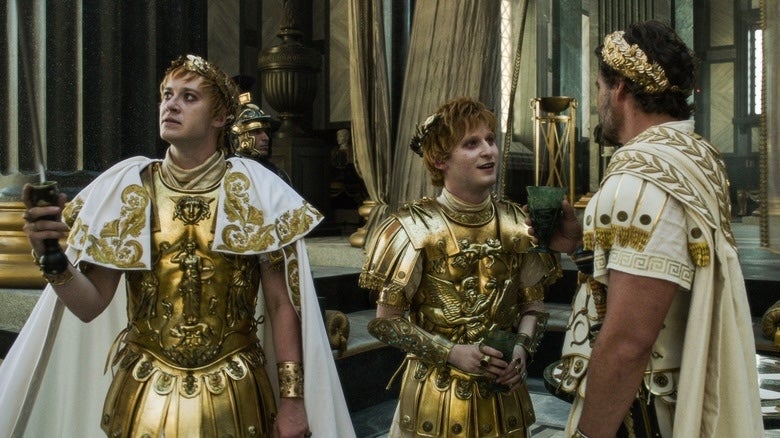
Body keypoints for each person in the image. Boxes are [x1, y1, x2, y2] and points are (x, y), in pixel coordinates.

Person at [0, 54, 354, 437]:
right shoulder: (130, 188)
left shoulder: (255, 190)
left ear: (221, 117)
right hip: (145, 395)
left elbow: (282, 305)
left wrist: (293, 400)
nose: (170, 104)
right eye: (167, 95)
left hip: (236, 396)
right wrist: (50, 256)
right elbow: (91, 305)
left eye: (189, 97)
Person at [537, 21, 763, 437]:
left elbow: (629, 342)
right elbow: (664, 275)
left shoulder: (640, 181)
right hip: (680, 390)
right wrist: (579, 247)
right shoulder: (695, 159)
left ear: (620, 88)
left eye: (600, 88)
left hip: (643, 411)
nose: (598, 102)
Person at [359, 97, 561, 437]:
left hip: (503, 401)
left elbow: (534, 307)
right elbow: (387, 323)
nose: (488, 151)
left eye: (490, 139)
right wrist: (451, 352)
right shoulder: (412, 228)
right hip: (434, 399)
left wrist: (521, 349)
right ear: (440, 160)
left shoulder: (518, 224)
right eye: (471, 143)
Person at [229, 91, 292, 185]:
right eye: (257, 132)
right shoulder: (227, 171)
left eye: (266, 132)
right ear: (239, 137)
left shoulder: (278, 174)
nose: (266, 138)